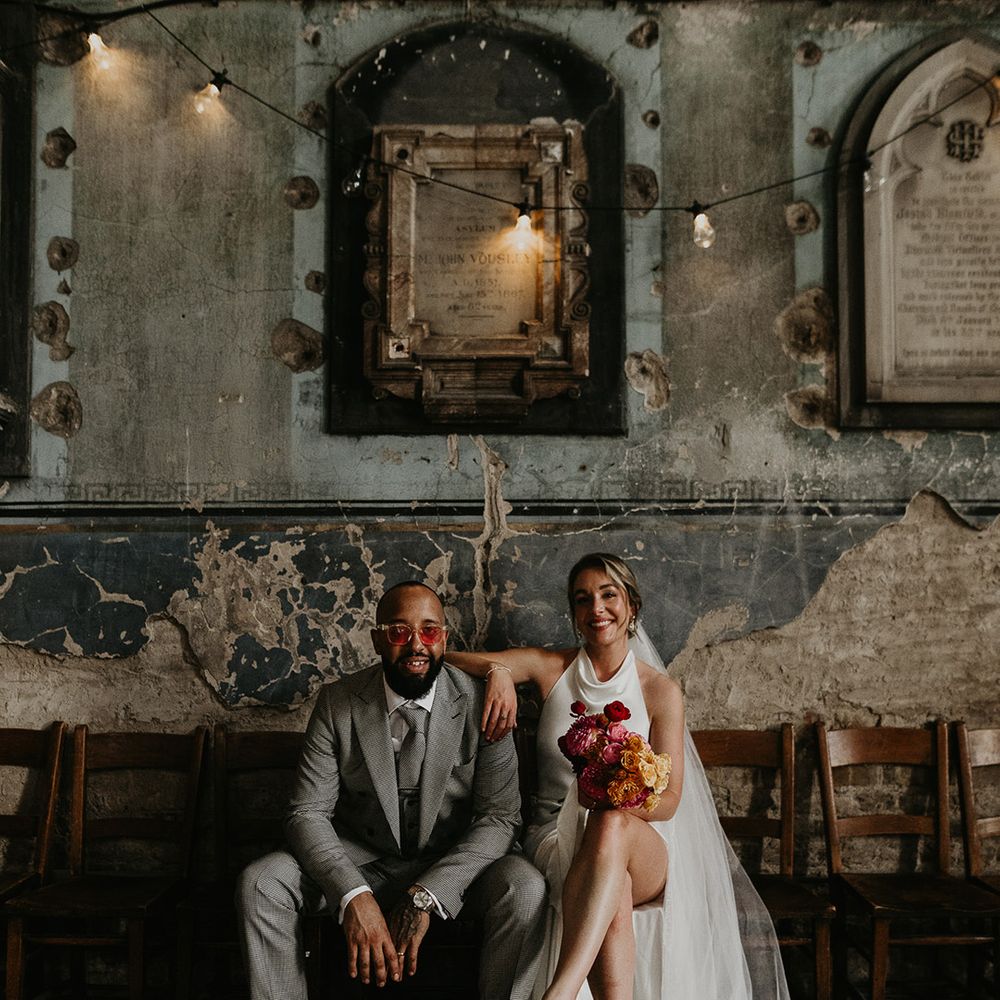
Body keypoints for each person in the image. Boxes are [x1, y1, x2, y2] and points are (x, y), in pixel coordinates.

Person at [450, 553, 789, 1000]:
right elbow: (450, 657)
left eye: (608, 595)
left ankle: (561, 991)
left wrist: (615, 797)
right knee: (615, 888)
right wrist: (498, 672)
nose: (597, 609)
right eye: (582, 599)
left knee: (610, 823)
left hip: (645, 842)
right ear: (573, 613)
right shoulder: (552, 668)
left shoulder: (659, 691)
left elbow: (669, 801)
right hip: (557, 836)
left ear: (631, 605)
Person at [237, 580, 547, 1000]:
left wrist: (427, 895)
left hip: (450, 864)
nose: (417, 644)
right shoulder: (338, 703)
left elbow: (499, 817)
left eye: (429, 631)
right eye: (400, 631)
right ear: (378, 640)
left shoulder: (483, 703)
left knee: (525, 886)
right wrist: (352, 894)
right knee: (263, 881)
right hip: (361, 862)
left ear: (444, 638)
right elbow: (306, 813)